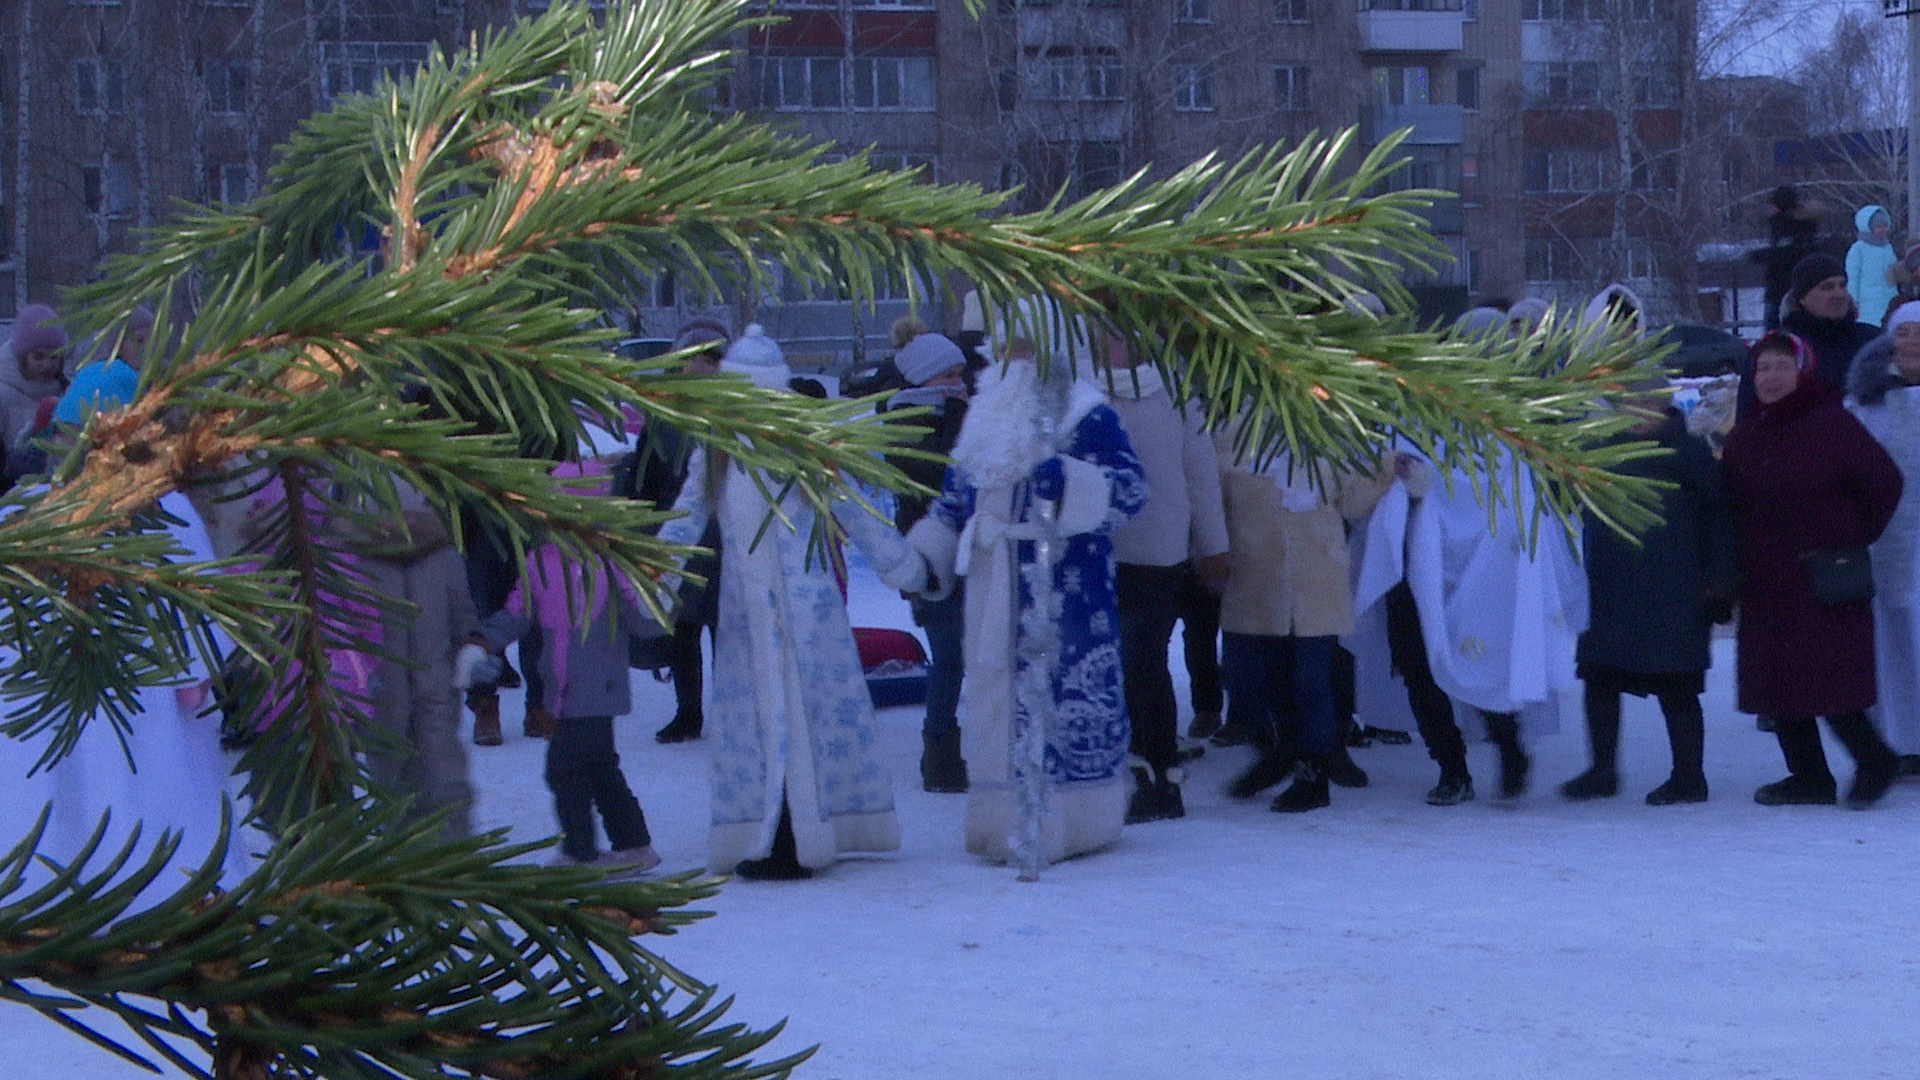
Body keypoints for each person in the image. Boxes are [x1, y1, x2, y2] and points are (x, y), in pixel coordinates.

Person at [878, 301, 1146, 865]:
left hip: (1064, 593)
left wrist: (1072, 482)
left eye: (1027, 346)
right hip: (992, 583)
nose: (1016, 358)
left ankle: (1072, 824)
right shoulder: (985, 415)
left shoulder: (1085, 412)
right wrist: (924, 558)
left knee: (1059, 701)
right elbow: (955, 502)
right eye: (1009, 346)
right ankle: (999, 823)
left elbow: (1129, 489)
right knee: (997, 702)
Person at [658, 324, 900, 880]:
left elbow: (853, 505)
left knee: (801, 719)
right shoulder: (716, 447)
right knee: (764, 723)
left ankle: (796, 836)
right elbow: (687, 514)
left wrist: (899, 562)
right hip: (747, 610)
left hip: (806, 609)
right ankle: (770, 834)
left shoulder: (804, 445)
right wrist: (657, 573)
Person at [1724, 331, 1904, 808]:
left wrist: (1850, 537)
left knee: (1831, 682)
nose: (1771, 377)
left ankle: (1875, 761)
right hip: (1765, 577)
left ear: (1802, 371)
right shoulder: (1746, 435)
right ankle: (1808, 777)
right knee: (1776, 683)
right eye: (1762, 368)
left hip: (1823, 577)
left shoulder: (1831, 423)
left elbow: (1885, 482)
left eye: (1782, 366)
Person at [462, 482, 663, 870]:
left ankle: (581, 851)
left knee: (566, 769)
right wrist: (483, 640)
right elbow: (517, 612)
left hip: (598, 686)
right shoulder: (541, 562)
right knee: (601, 767)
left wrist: (657, 593)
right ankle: (634, 844)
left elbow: (646, 622)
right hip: (560, 685)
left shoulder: (611, 564)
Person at [1560, 377, 1737, 805]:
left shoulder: (1690, 454)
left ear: (1664, 406)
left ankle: (1689, 776)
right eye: (1627, 402)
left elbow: (1719, 521)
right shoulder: (1600, 451)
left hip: (1676, 588)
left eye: (1646, 402)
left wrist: (1720, 581)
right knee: (1599, 678)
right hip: (1610, 586)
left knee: (1677, 683)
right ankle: (1602, 769)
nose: (1637, 411)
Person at [1092, 326, 1229, 824]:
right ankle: (1124, 773)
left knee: (1142, 663)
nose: (1110, 343)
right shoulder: (1081, 392)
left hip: (1159, 552)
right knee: (1114, 669)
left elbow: (1201, 474)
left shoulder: (1174, 396)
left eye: (1119, 335)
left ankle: (1158, 775)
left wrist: (1213, 549)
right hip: (1097, 554)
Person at [1215, 432, 1393, 813]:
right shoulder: (1231, 438)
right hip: (1257, 582)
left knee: (1311, 684)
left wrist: (1386, 471)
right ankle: (1280, 753)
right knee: (1258, 681)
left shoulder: (1324, 438)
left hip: (1316, 583)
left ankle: (1313, 774)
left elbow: (1352, 502)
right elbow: (1216, 500)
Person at [617, 318, 728, 744]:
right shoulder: (663, 414)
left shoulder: (736, 411)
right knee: (682, 629)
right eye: (691, 359)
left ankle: (732, 710)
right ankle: (688, 712)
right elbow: (645, 474)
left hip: (725, 540)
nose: (699, 367)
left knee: (727, 630)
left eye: (708, 359)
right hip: (678, 533)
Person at [356, 484, 480, 842]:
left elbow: (461, 609)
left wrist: (471, 643)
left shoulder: (440, 552)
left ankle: (453, 855)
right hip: (380, 689)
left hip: (435, 685)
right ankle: (401, 854)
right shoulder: (359, 555)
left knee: (443, 772)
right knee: (390, 776)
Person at [883, 330, 972, 792]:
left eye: (961, 373)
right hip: (929, 557)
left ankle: (968, 746)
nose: (958, 382)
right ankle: (939, 751)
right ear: (923, 376)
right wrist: (960, 419)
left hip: (971, 551)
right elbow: (936, 470)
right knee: (949, 656)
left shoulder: (958, 412)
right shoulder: (905, 417)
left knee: (973, 652)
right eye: (949, 374)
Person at [1846, 305, 1920, 778]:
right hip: (1883, 543)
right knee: (1888, 645)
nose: (1912, 342)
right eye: (1904, 333)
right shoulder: (1865, 405)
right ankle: (1897, 742)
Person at [53, 306, 153, 424]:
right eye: (139, 340)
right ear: (117, 343)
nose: (147, 347)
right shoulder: (111, 373)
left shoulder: (89, 371)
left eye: (153, 339)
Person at [0, 304, 70, 452]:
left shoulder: (69, 392)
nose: (47, 365)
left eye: (54, 357)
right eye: (38, 356)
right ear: (22, 357)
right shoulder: (3, 394)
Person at [1749, 185, 1820, 331]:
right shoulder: (1791, 227)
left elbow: (1786, 254)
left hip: (1784, 294)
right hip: (1784, 293)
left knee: (1778, 338)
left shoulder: (1788, 228)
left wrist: (1761, 256)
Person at [1847, 204, 1900, 329]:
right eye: (1878, 226)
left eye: (1885, 226)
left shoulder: (1887, 247)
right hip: (1867, 302)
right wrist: (1852, 301)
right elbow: (1852, 276)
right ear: (1868, 227)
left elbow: (1893, 271)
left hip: (1888, 298)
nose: (1882, 229)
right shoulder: (1858, 248)